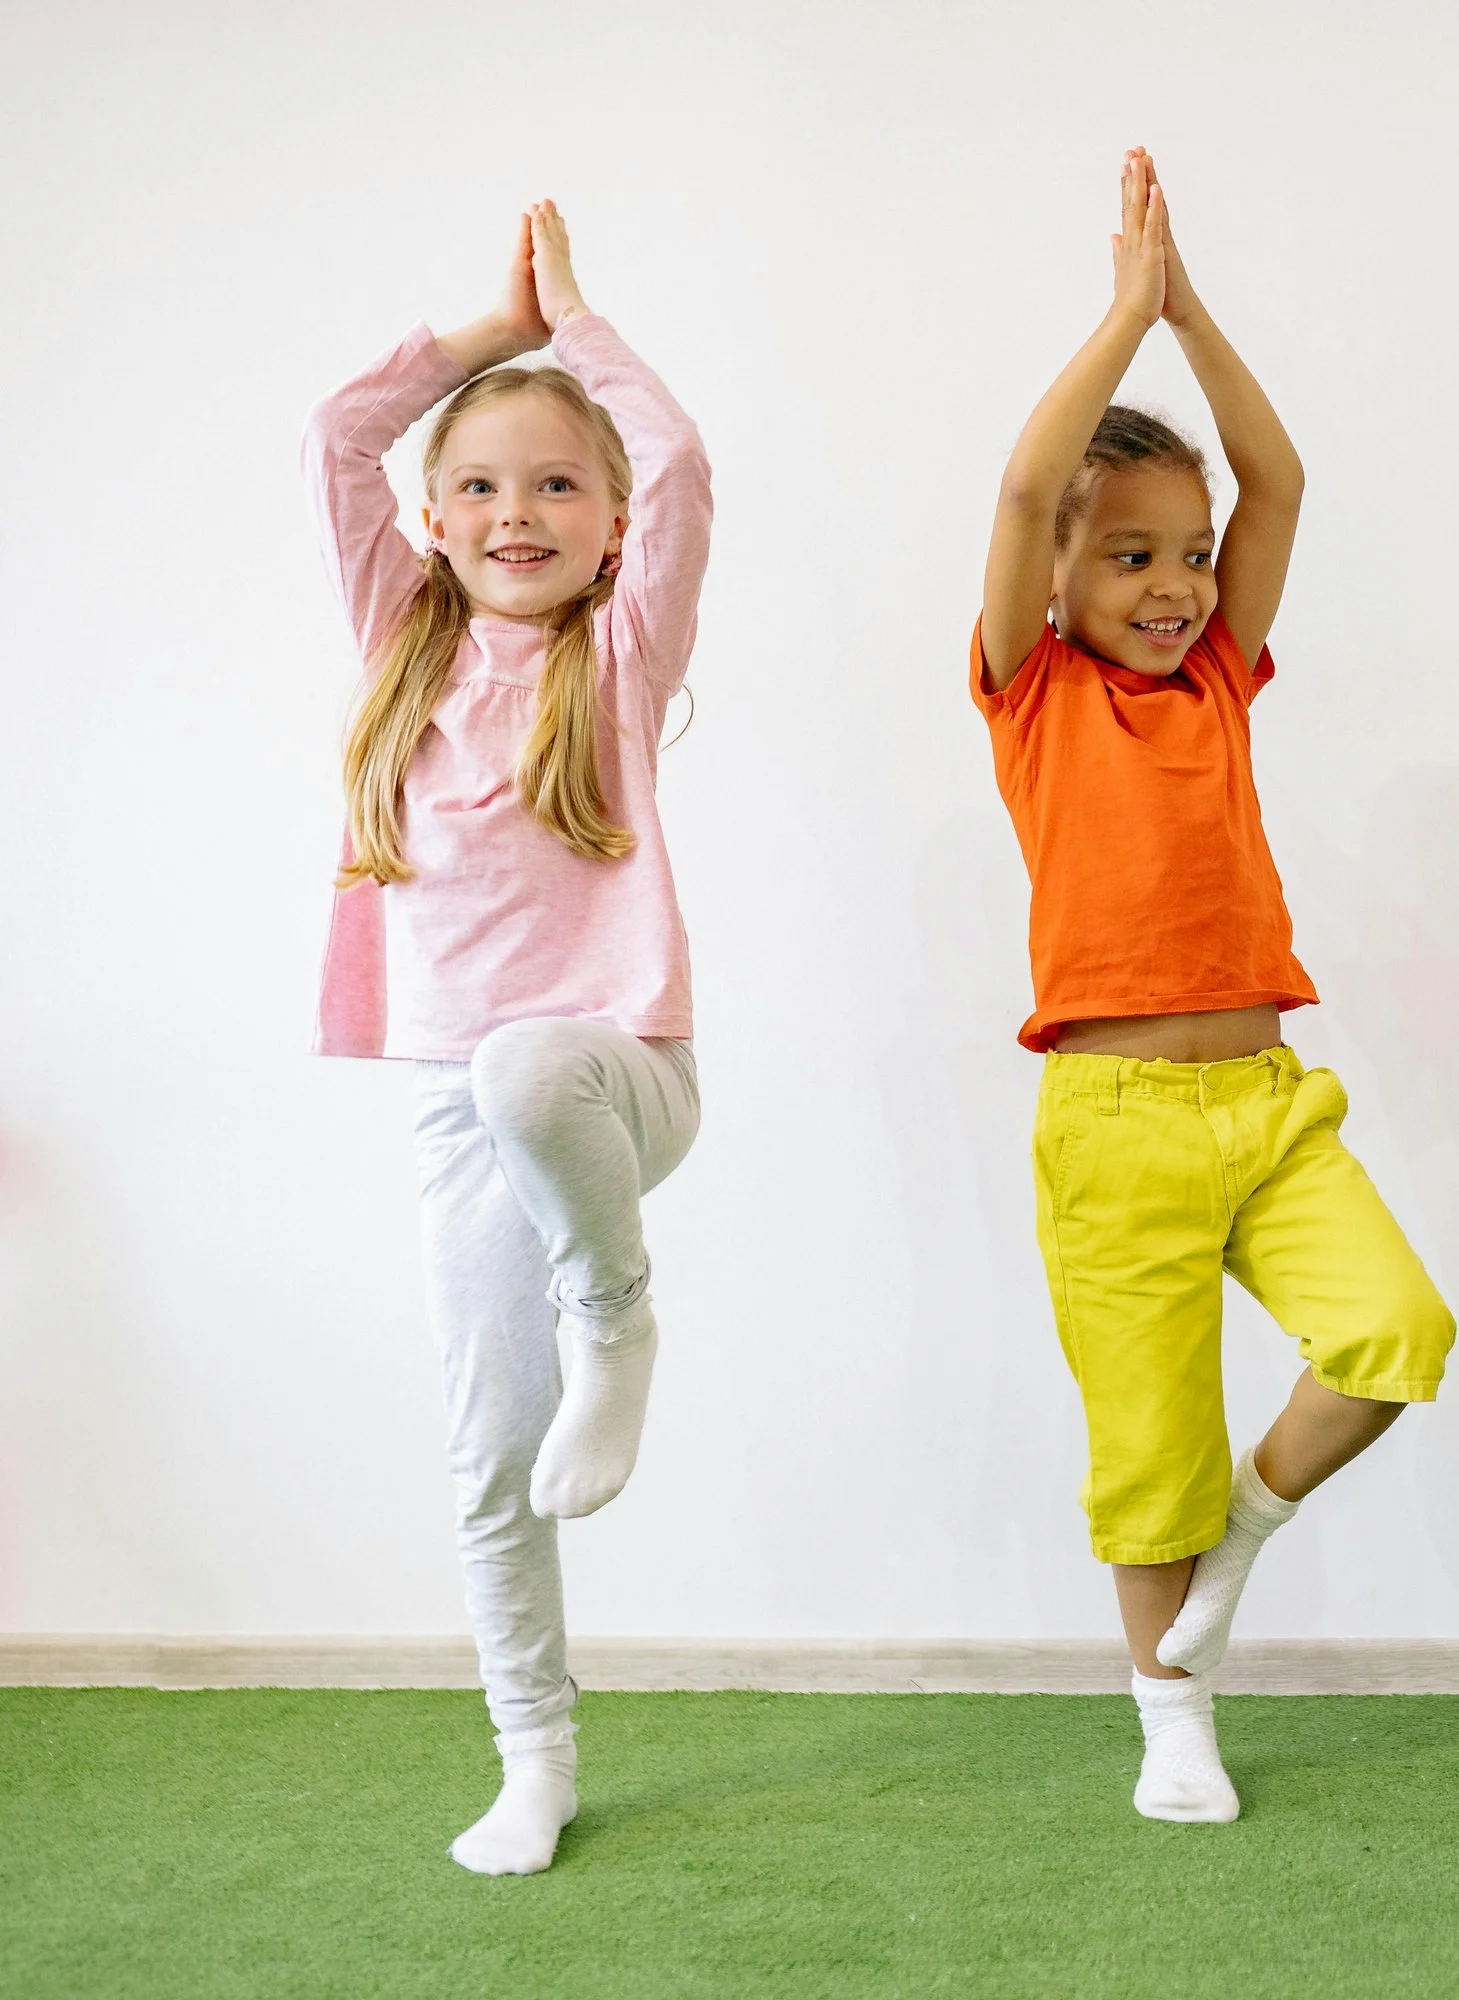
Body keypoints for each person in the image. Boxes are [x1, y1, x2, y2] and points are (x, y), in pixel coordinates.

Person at [975, 151, 1456, 1823]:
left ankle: (1246, 1539)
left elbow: (1279, 473)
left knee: (1399, 1333)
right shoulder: (1030, 694)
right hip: (1111, 1125)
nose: (1176, 585)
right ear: (1057, 581)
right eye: (1132, 560)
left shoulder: (1222, 686)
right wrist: (1120, 318)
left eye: (1190, 557)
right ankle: (1171, 1710)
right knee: (1152, 1453)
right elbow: (1032, 488)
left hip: (1266, 1105)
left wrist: (1189, 310)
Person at [302, 202, 711, 1873]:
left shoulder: (616, 659)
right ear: (428, 524)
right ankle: (531, 1756)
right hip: (463, 1113)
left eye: (556, 483)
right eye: (478, 484)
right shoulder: (402, 645)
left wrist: (579, 327)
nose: (514, 510)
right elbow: (338, 433)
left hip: (619, 1082)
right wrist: (483, 338)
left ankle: (619, 1322)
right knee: (490, 1458)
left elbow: (681, 456)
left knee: (525, 1061)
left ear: (611, 530)